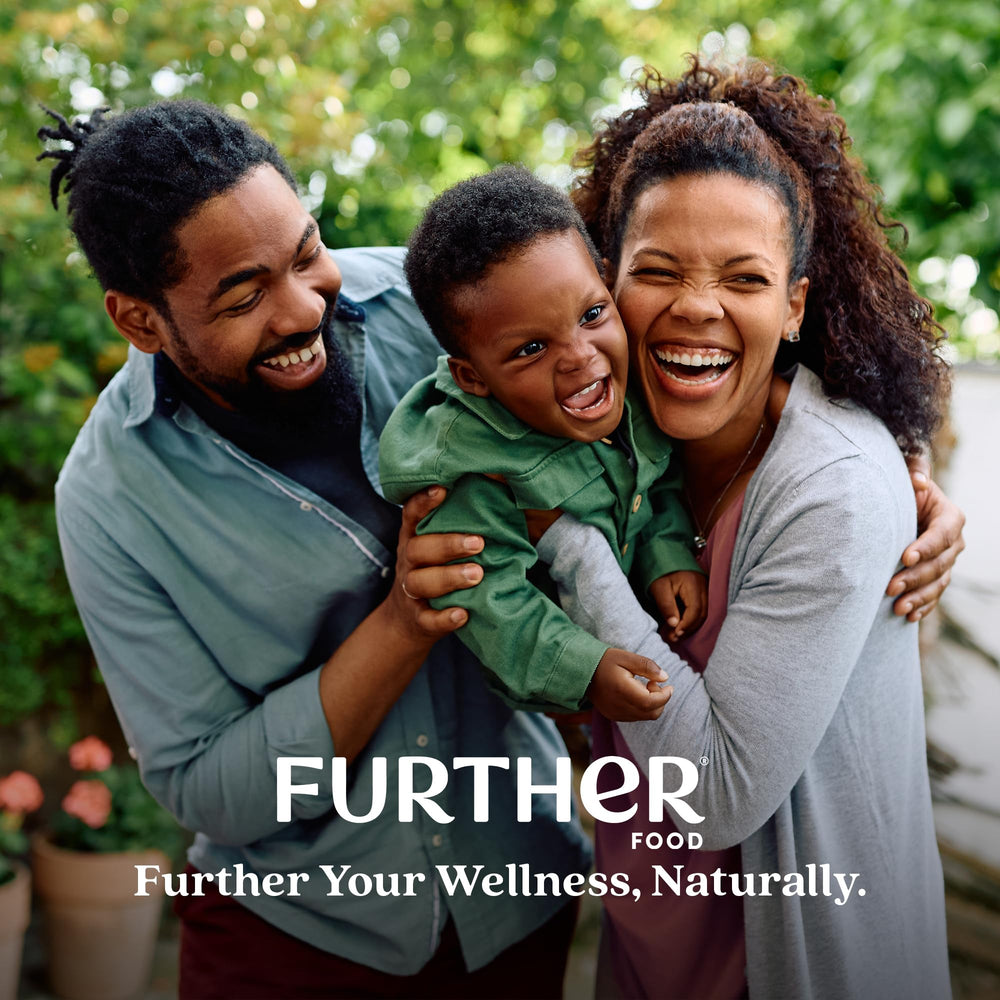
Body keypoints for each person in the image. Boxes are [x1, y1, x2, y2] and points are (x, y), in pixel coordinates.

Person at [39, 100, 591, 999]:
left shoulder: (431, 308)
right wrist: (403, 626)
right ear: (140, 321)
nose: (303, 309)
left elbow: (647, 385)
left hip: (518, 895)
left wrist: (882, 486)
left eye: (306, 253)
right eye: (245, 295)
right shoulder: (108, 498)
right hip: (294, 939)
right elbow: (205, 786)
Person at [533, 60, 957, 998]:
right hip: (656, 946)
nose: (696, 306)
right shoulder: (606, 440)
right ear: (604, 279)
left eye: (744, 277)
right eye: (656, 270)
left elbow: (717, 794)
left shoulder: (830, 486)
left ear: (794, 304)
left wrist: (568, 544)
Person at [380, 165, 706, 721]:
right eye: (532, 347)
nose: (580, 356)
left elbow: (653, 477)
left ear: (607, 283)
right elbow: (490, 603)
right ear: (473, 378)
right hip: (561, 687)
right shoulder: (474, 472)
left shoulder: (627, 383)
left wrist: (665, 552)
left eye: (592, 313)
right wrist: (586, 669)